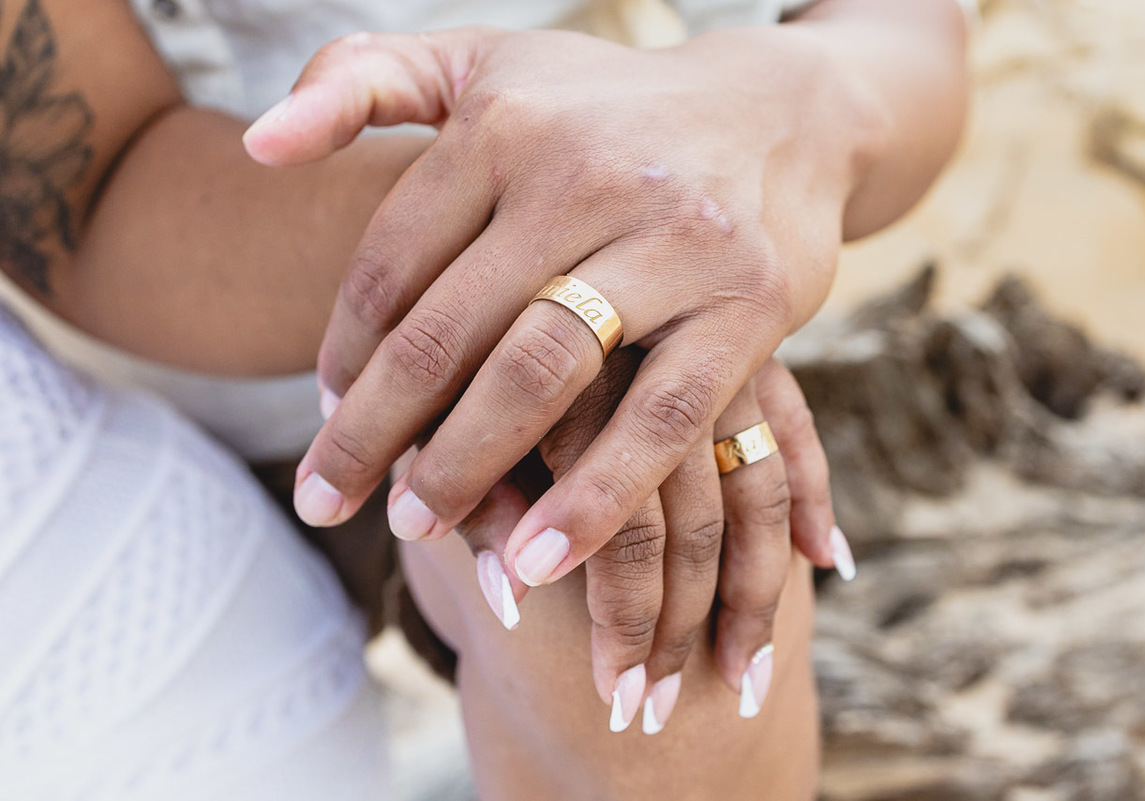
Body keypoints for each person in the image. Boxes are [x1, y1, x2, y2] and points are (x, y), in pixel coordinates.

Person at [0, 0, 968, 798]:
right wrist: (523, 224)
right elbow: (90, 187)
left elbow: (898, 37)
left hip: (643, 214)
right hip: (174, 389)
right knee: (584, 399)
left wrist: (763, 116)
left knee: (609, 494)